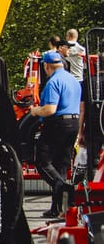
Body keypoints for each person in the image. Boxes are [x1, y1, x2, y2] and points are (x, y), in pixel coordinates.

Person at [30, 49, 81, 219]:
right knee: (61, 165)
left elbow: (50, 109)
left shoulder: (53, 82)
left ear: (46, 66)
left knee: (42, 161)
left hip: (57, 124)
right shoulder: (73, 80)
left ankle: (64, 190)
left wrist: (35, 111)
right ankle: (57, 208)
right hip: (73, 123)